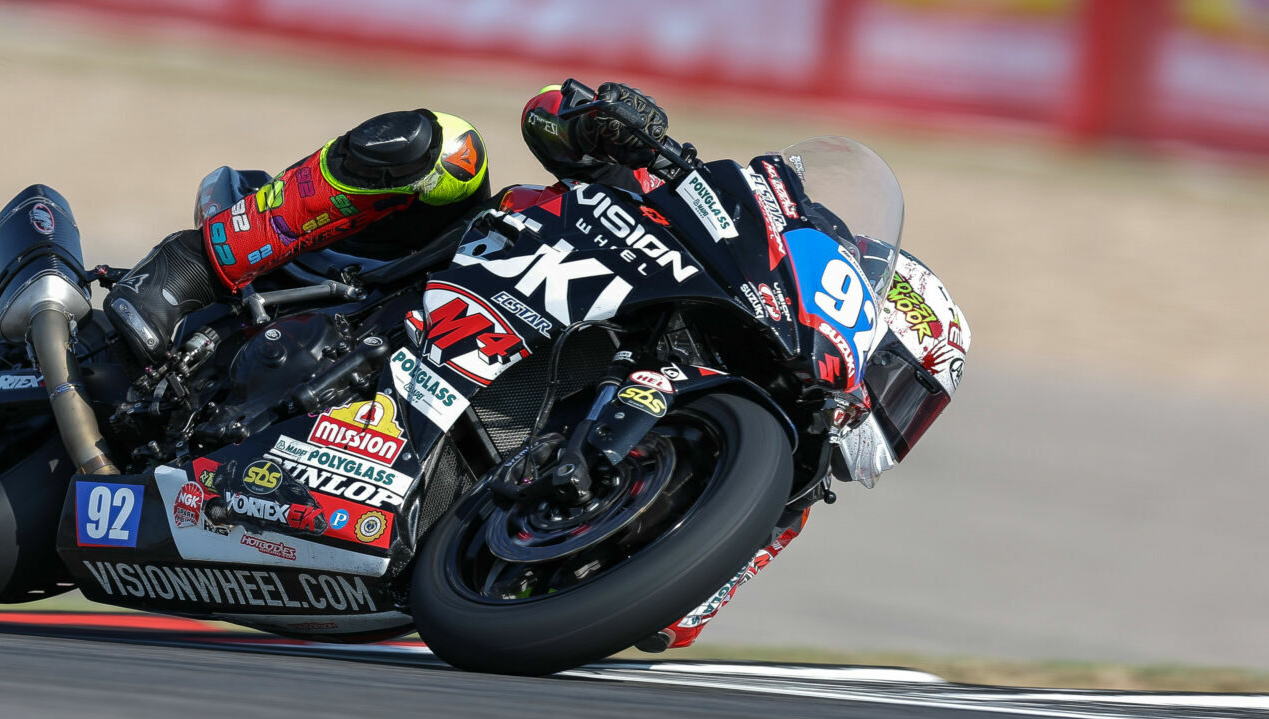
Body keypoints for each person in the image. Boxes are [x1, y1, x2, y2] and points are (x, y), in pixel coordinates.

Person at [105, 82, 969, 651]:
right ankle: (191, 265)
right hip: (410, 283)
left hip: (430, 534)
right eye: (902, 386)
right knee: (443, 146)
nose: (896, 418)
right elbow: (546, 114)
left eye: (913, 408)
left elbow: (670, 627)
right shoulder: (714, 232)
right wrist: (605, 124)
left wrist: (626, 526)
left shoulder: (771, 485)